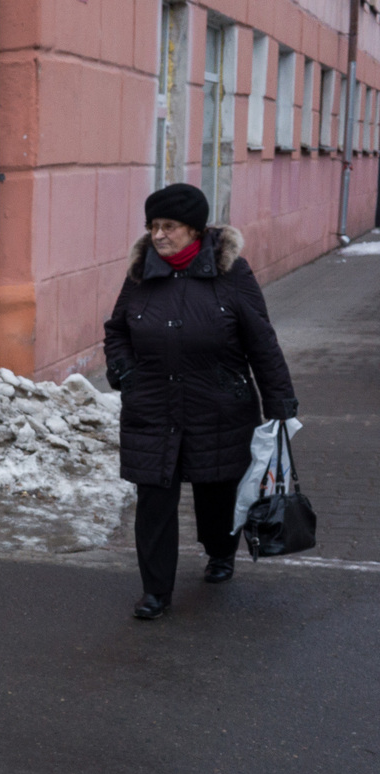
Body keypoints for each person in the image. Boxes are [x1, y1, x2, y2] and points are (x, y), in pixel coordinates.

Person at [103, 183, 298, 620]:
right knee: (154, 498)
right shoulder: (140, 274)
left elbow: (262, 341)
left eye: (168, 226)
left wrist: (280, 402)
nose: (158, 235)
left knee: (216, 489)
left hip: (217, 404)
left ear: (193, 229)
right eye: (153, 226)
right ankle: (156, 591)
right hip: (152, 405)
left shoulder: (233, 274)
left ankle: (220, 551)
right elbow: (117, 329)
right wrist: (124, 371)